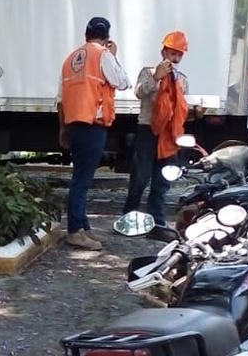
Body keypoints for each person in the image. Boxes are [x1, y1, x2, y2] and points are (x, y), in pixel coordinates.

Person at [58, 16, 131, 250]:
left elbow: (59, 101)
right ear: (107, 37)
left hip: (74, 125)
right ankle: (75, 232)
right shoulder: (103, 55)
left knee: (80, 176)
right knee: (82, 180)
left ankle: (83, 226)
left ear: (85, 35)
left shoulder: (70, 59)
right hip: (93, 124)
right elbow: (122, 82)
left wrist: (63, 128)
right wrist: (114, 55)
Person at [122, 31, 193, 226]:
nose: (175, 58)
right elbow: (138, 92)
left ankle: (156, 218)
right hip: (148, 130)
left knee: (163, 178)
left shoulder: (182, 79)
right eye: (172, 53)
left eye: (179, 54)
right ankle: (129, 214)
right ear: (163, 51)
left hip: (170, 134)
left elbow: (181, 107)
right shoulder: (148, 71)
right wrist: (155, 78)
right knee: (141, 176)